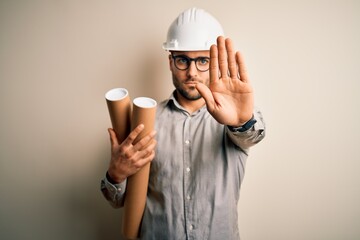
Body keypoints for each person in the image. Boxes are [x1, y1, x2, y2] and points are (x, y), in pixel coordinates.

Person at [101, 7, 265, 240]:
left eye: (202, 61)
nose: (192, 72)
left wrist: (242, 121)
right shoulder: (145, 120)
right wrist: (115, 176)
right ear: (170, 62)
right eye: (182, 60)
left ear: (215, 62)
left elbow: (253, 135)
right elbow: (119, 202)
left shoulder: (235, 118)